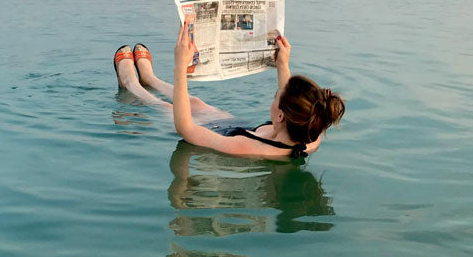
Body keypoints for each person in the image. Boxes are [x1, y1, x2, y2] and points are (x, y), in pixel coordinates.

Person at [112, 23, 345, 158]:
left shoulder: (247, 148)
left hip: (223, 136)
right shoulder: (310, 136)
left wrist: (180, 66)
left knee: (167, 107)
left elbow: (186, 128)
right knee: (196, 103)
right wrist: (282, 64)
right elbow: (292, 100)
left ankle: (132, 85)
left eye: (276, 97)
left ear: (282, 115)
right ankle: (150, 78)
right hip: (238, 127)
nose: (274, 96)